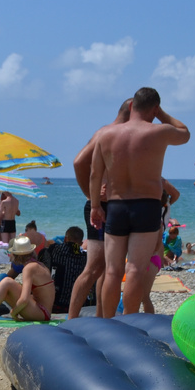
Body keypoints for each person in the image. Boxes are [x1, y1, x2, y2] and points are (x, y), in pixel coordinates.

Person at [91, 87, 190, 316]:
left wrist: (95, 206)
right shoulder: (160, 131)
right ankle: (129, 323)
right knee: (135, 269)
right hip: (146, 205)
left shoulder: (106, 134)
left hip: (116, 205)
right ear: (155, 109)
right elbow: (184, 132)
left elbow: (95, 174)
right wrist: (161, 114)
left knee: (114, 271)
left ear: (131, 106)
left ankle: (108, 322)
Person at [69, 99, 131, 319]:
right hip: (100, 207)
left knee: (108, 267)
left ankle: (102, 318)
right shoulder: (105, 133)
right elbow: (78, 162)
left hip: (112, 206)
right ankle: (71, 319)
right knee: (94, 267)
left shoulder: (121, 134)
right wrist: (90, 194)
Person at [48, 226, 88, 313]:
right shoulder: (84, 258)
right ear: (81, 243)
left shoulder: (54, 250)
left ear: (65, 239)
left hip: (54, 302)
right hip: (75, 305)